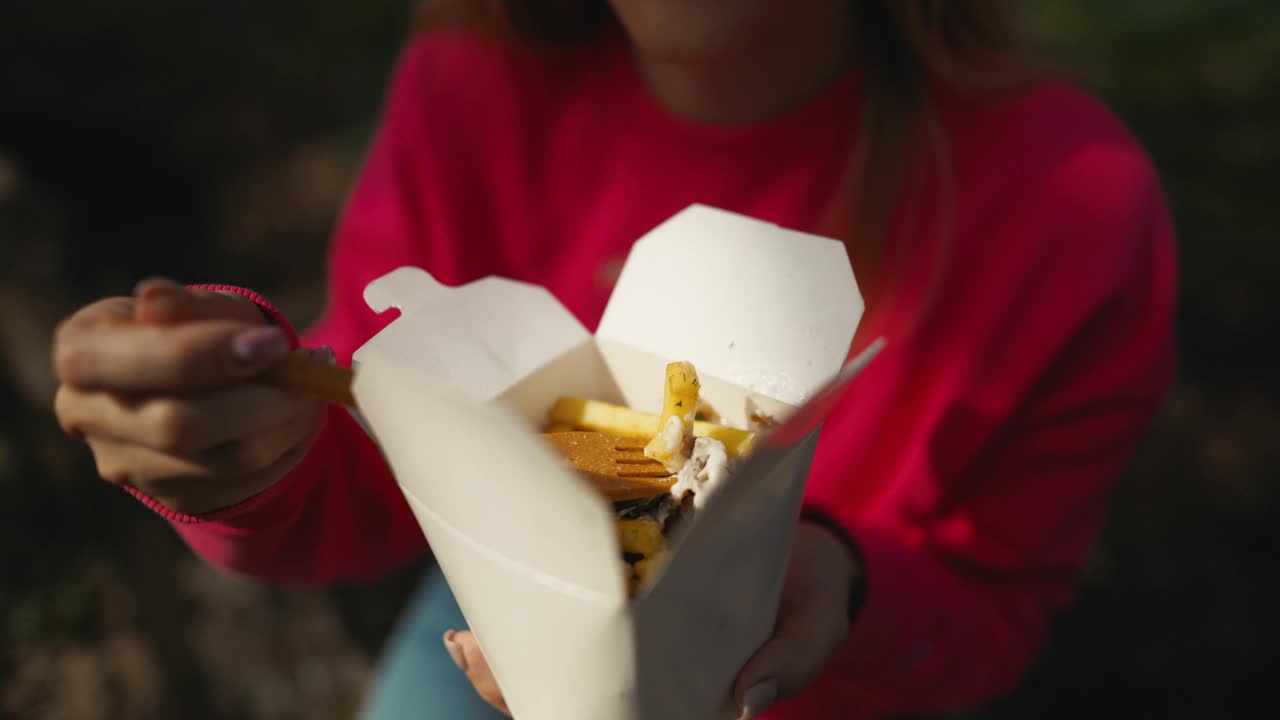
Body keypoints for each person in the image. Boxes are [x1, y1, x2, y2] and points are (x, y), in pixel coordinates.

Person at [49, 1, 1178, 718]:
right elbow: (370, 458)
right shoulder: (472, 92)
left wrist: (837, 581)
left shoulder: (1068, 206)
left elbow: (992, 614)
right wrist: (242, 457)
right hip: (494, 627)